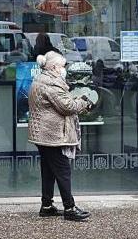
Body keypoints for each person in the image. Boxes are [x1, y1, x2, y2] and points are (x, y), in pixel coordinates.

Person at [28, 52, 93, 221]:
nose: (65, 69)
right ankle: (70, 208)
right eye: (63, 66)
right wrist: (85, 101)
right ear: (54, 67)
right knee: (63, 170)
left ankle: (47, 205)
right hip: (51, 135)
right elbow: (67, 106)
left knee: (49, 171)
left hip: (43, 134)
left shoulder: (41, 79)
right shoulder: (51, 83)